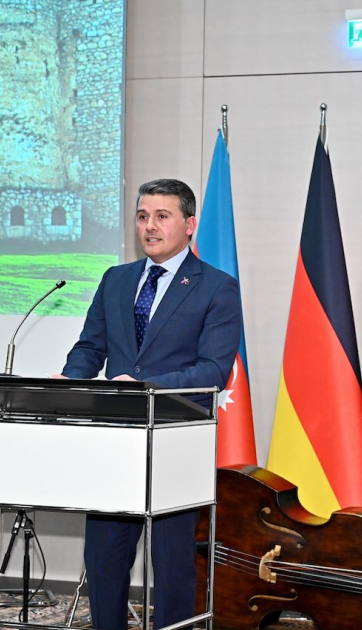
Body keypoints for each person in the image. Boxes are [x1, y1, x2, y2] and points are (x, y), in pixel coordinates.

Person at [60, 178, 241, 629]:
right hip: (115, 437)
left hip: (175, 440)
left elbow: (213, 370)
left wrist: (139, 381)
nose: (150, 226)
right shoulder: (116, 279)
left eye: (162, 216)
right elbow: (90, 347)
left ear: (189, 224)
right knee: (103, 557)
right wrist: (70, 379)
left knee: (172, 561)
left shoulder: (216, 288)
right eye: (143, 216)